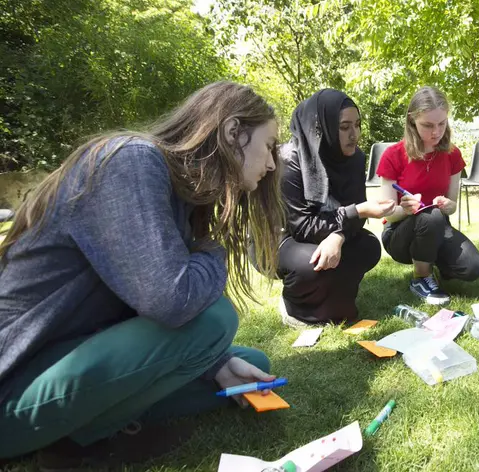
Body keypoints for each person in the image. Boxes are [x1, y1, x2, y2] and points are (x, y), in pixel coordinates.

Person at [0, 82, 283, 468]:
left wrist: (215, 365)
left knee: (248, 365)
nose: (271, 164)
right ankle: (79, 443)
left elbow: (142, 307)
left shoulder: (175, 192)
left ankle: (85, 424)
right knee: (215, 320)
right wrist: (214, 249)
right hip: (12, 387)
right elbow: (171, 300)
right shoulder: (131, 161)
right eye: (269, 146)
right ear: (233, 131)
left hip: (68, 356)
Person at [277, 89, 394, 326]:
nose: (355, 135)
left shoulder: (355, 159)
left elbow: (355, 213)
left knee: (368, 247)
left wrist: (339, 236)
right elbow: (301, 226)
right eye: (344, 127)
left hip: (326, 230)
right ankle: (292, 305)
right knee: (312, 262)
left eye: (358, 125)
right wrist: (355, 213)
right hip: (282, 238)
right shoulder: (289, 160)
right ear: (323, 126)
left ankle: (330, 301)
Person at [376, 86, 479, 305]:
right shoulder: (393, 155)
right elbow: (386, 213)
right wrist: (405, 210)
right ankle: (421, 277)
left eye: (442, 124)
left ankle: (433, 261)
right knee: (431, 216)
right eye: (427, 125)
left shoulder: (452, 154)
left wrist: (447, 205)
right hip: (399, 233)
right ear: (412, 121)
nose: (436, 132)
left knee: (472, 268)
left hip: (437, 226)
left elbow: (452, 207)